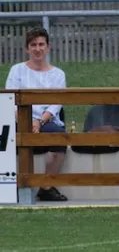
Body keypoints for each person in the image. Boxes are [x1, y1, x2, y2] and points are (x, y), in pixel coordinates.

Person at [5, 27, 68, 201]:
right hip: (19, 119)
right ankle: (10, 187)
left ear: (48, 48)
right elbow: (11, 99)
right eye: (33, 45)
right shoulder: (16, 70)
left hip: (46, 121)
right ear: (27, 49)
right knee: (5, 135)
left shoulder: (58, 74)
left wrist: (39, 122)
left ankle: (46, 187)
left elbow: (56, 104)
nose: (37, 48)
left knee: (60, 137)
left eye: (41, 44)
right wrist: (26, 121)